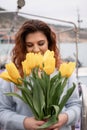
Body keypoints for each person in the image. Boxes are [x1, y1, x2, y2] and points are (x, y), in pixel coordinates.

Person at [0, 19, 81, 130]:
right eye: (29, 45)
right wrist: (24, 123)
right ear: (24, 47)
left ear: (49, 43)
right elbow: (2, 110)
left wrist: (64, 118)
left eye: (41, 43)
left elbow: (75, 105)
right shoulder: (12, 73)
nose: (36, 49)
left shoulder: (63, 69)